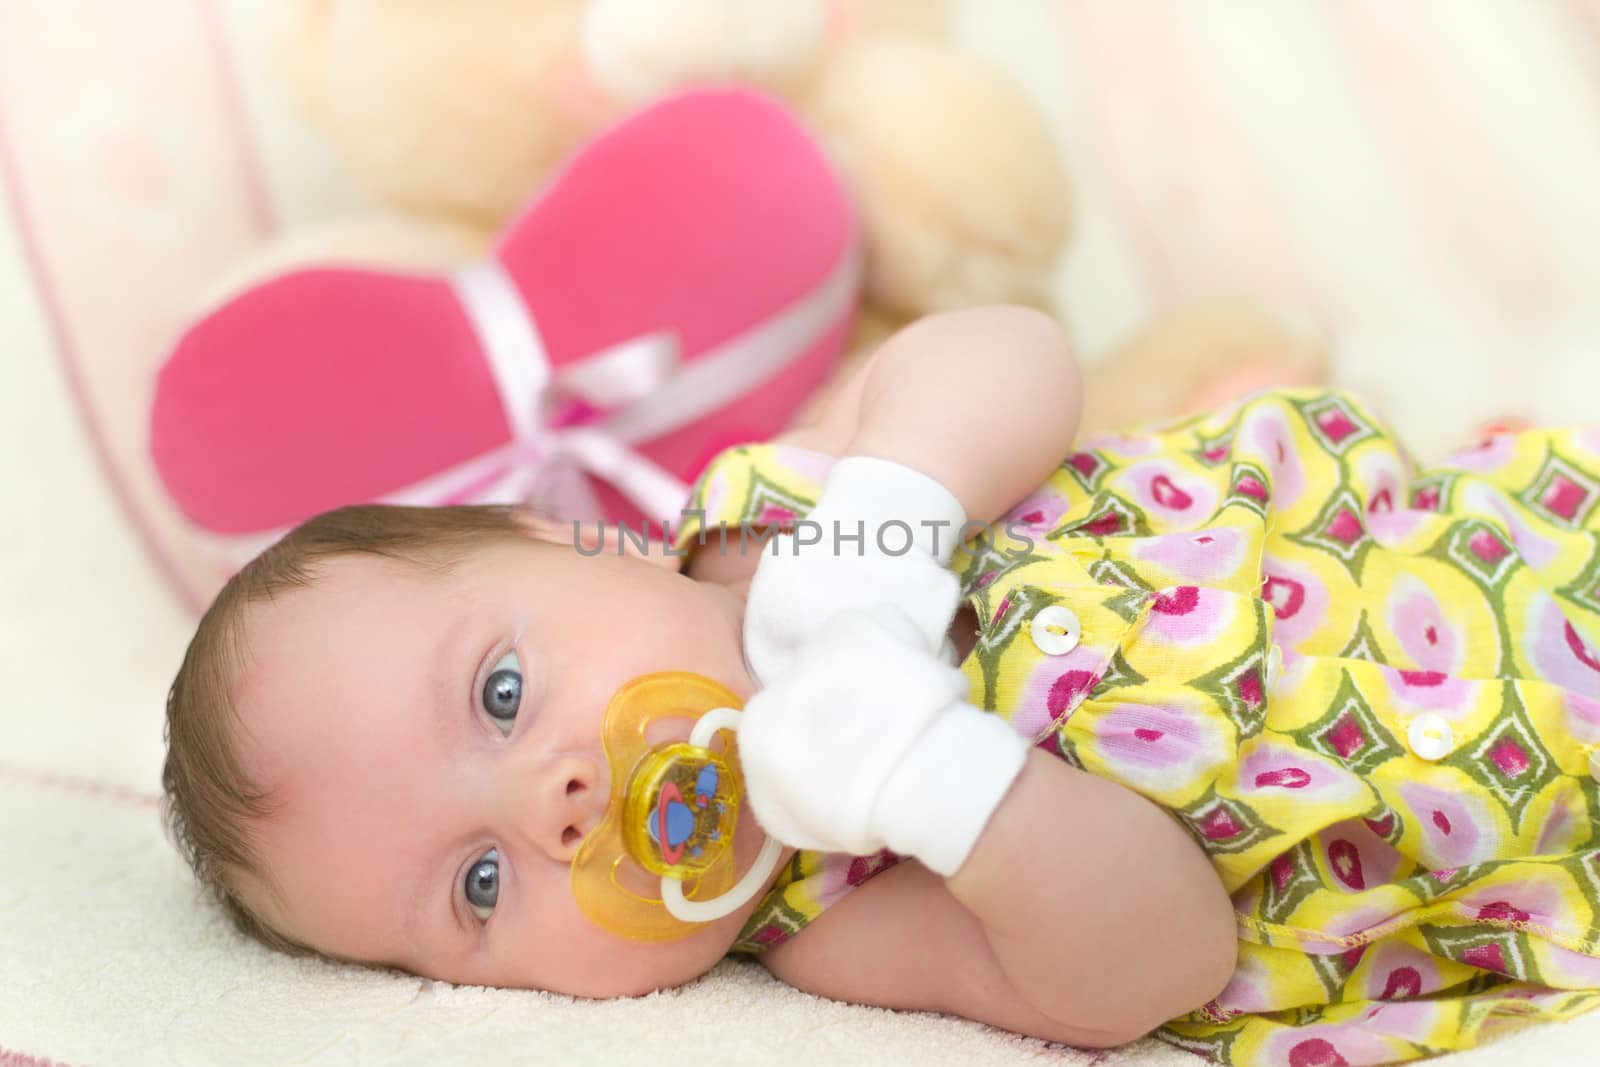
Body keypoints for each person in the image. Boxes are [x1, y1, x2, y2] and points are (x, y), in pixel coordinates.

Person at [161, 306, 1600, 1065]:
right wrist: (943, 786)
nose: (558, 802)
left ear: (571, 538)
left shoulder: (762, 520)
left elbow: (1012, 350)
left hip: (1457, 559)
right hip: (1503, 799)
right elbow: (1160, 964)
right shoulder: (828, 919)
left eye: (499, 695)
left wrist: (882, 536)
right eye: (479, 887)